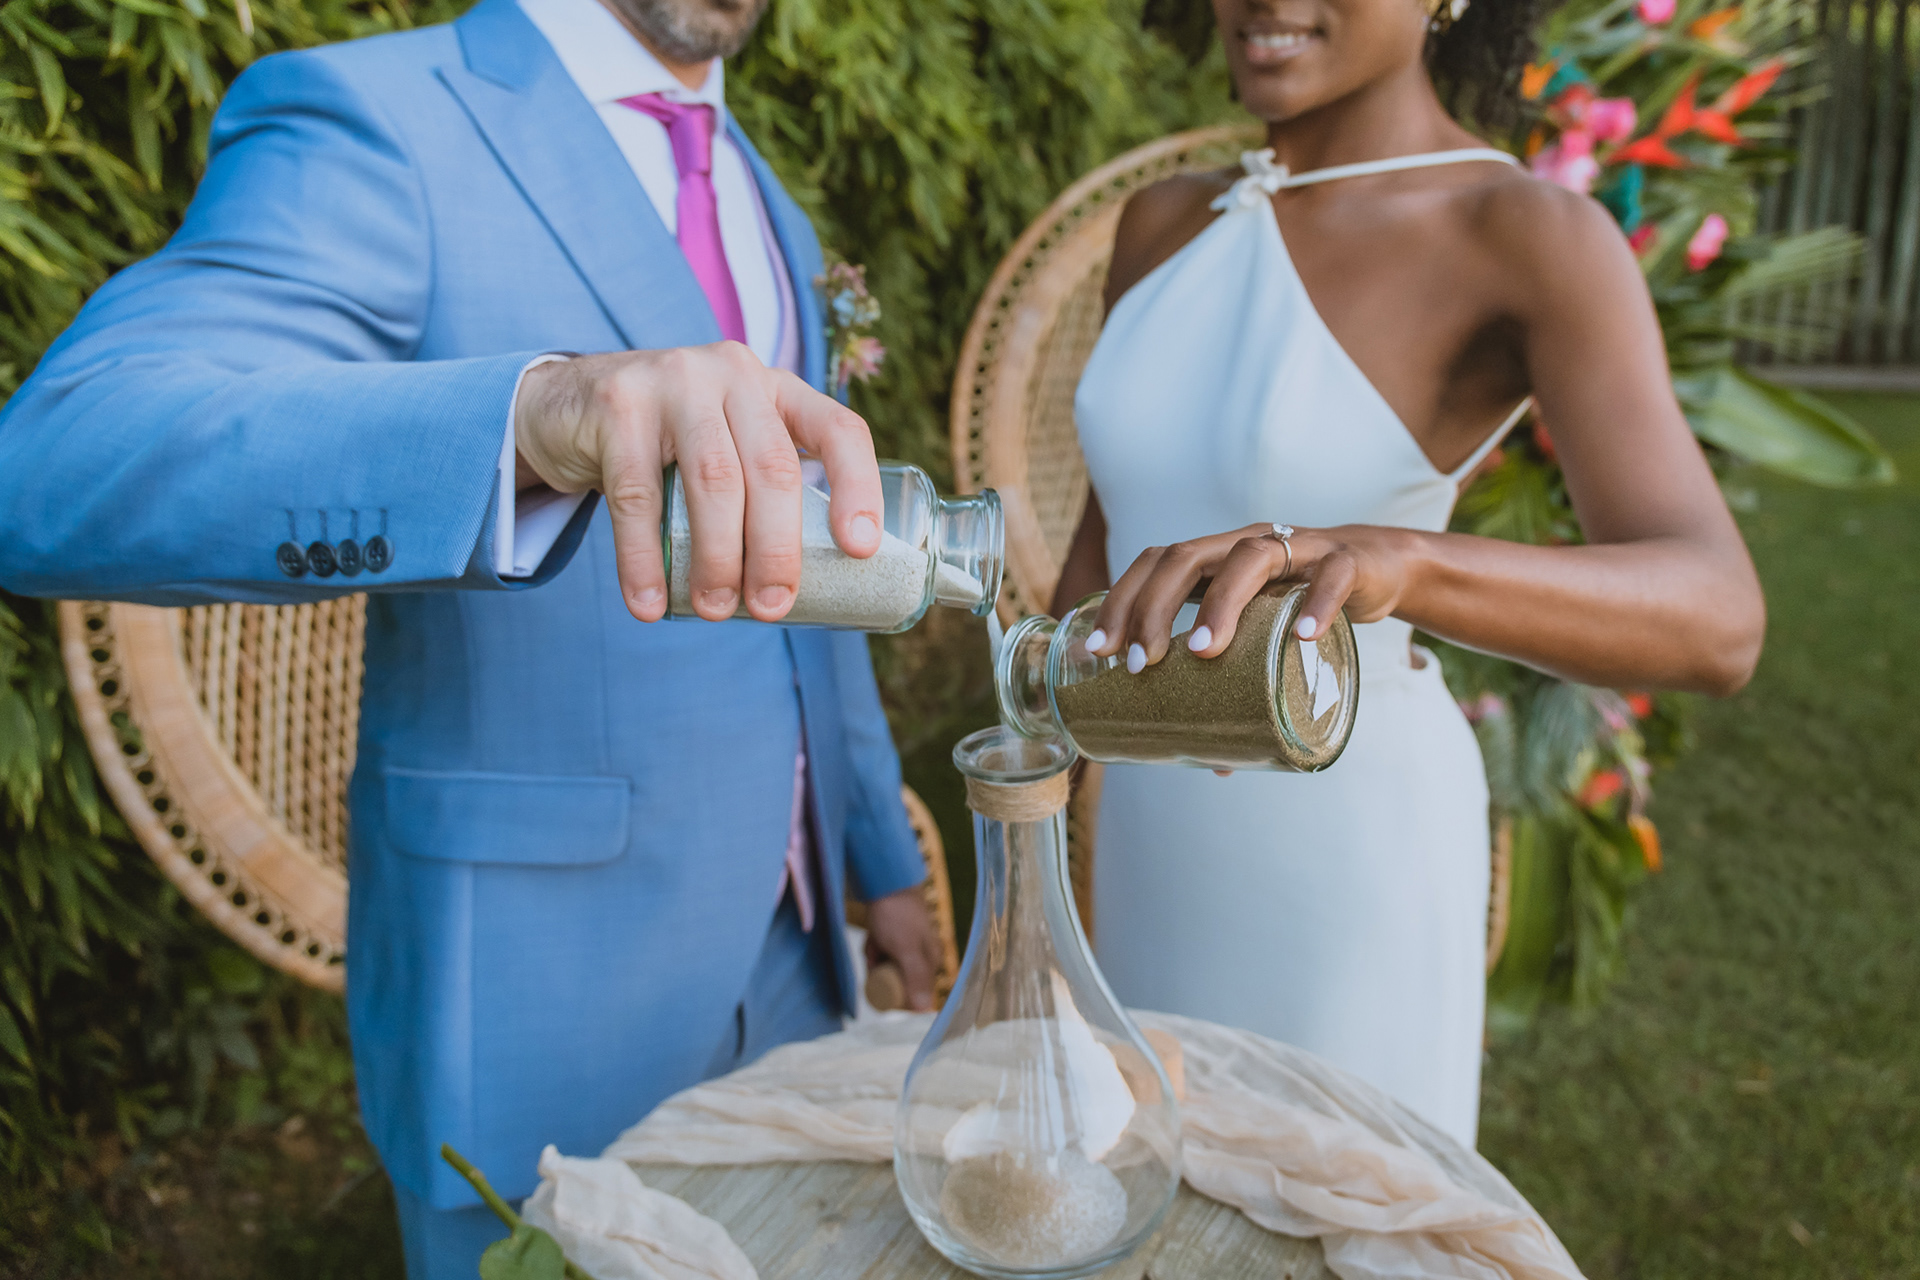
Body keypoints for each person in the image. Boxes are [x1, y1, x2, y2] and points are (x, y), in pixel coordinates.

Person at [0, 0, 944, 1272]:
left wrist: (880, 854)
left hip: (797, 948)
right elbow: (62, 455)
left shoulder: (766, 197)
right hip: (541, 985)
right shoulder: (375, 115)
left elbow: (810, 563)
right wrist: (529, 413)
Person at [1053, 0, 1765, 1145]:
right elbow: (1100, 560)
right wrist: (1034, 838)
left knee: (1341, 1201)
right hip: (1154, 831)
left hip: (1347, 846)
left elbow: (1718, 616)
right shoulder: (1164, 220)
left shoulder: (1523, 232)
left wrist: (1403, 560)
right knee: (1146, 1178)